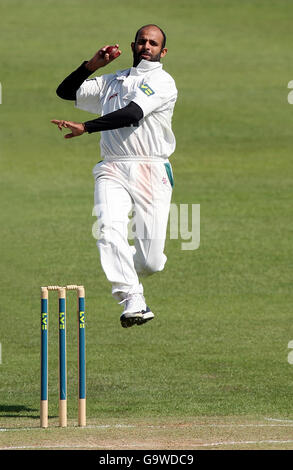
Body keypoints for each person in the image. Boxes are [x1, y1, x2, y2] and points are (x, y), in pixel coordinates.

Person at [52, 24, 178, 328]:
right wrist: (92, 65)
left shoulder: (162, 81)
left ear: (163, 51)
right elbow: (66, 92)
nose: (147, 46)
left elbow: (133, 114)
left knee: (149, 261)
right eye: (142, 41)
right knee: (109, 230)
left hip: (151, 167)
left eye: (153, 43)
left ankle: (130, 263)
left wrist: (87, 127)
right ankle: (132, 298)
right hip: (112, 167)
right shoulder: (114, 79)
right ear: (133, 46)